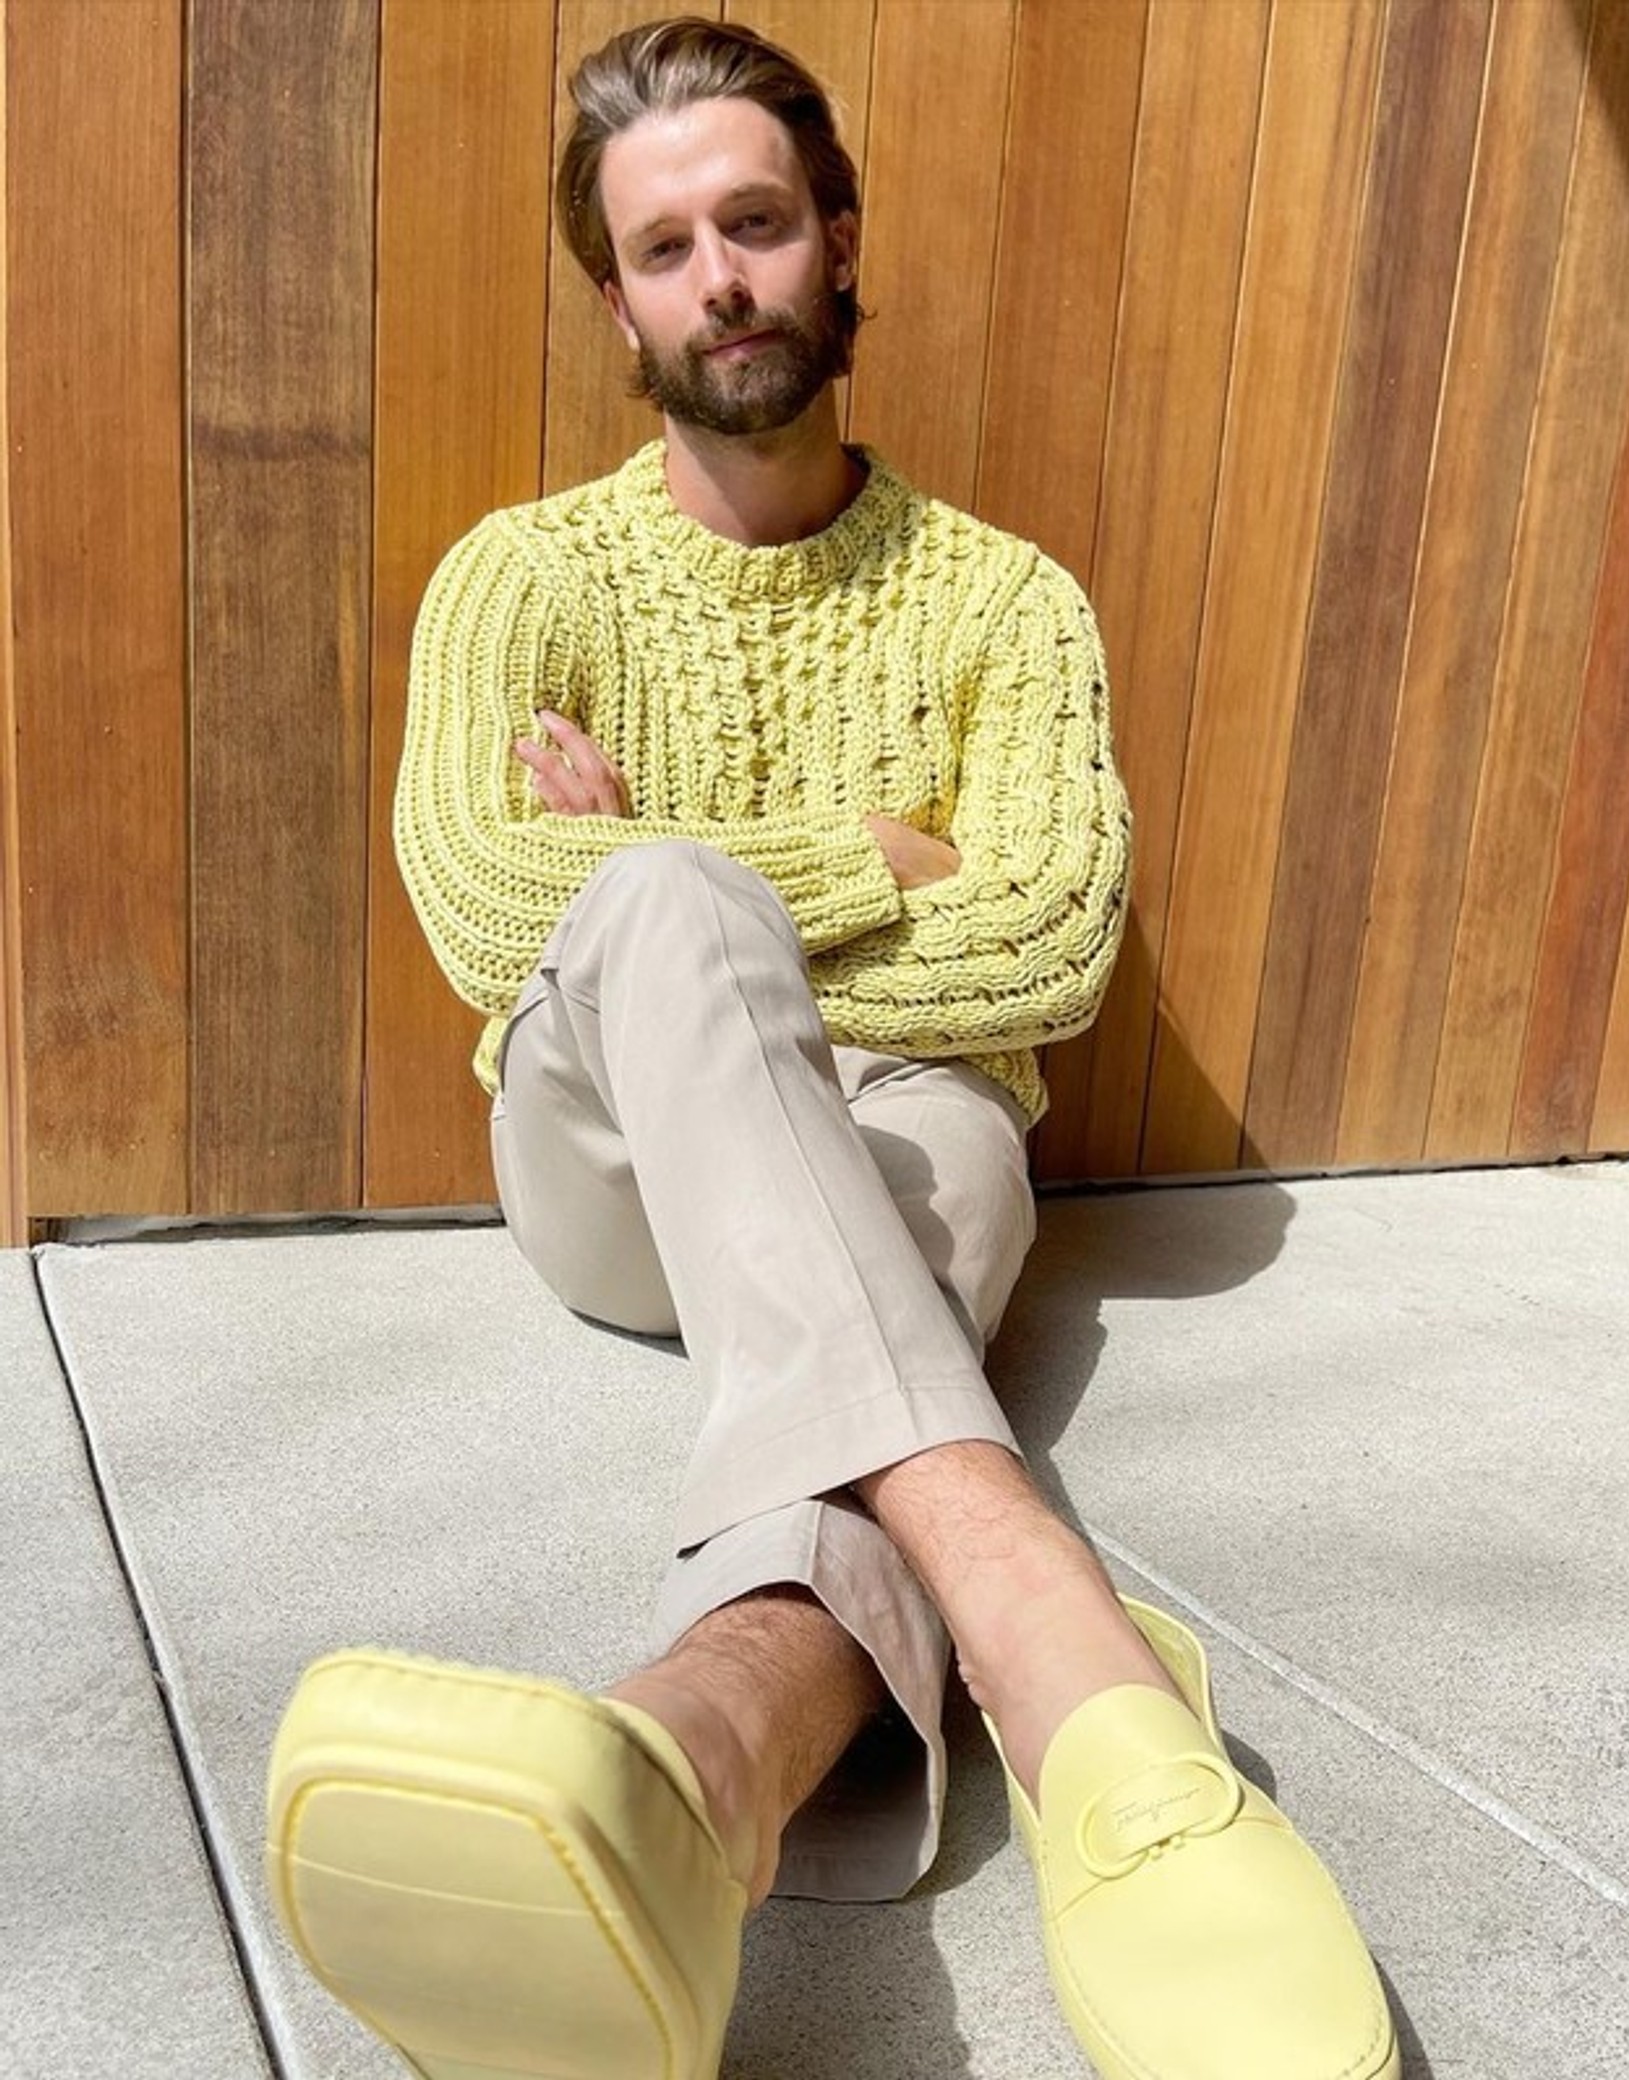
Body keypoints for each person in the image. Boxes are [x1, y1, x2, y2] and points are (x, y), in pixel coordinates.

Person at [263, 18, 1398, 2080]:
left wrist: (670, 898)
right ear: (618, 302)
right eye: (666, 247)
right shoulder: (524, 577)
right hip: (611, 1175)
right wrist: (853, 863)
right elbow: (487, 907)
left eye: (758, 222)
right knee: (661, 911)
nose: (721, 278)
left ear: (837, 237)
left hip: (908, 1134)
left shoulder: (1004, 602)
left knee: (792, 1017)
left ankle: (699, 1762)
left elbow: (1051, 941)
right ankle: (1051, 1635)